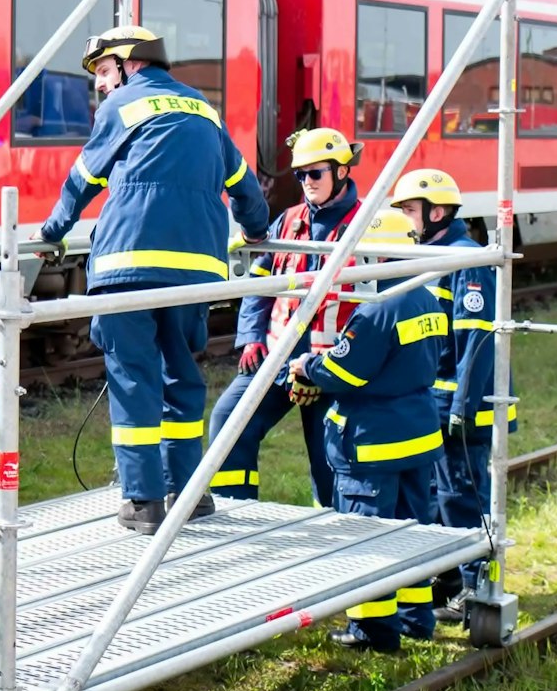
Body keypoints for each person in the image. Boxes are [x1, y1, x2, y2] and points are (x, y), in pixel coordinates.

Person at [38, 26, 268, 533]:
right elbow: (246, 190)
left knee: (132, 380)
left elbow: (82, 180)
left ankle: (143, 501)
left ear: (129, 64)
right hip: (194, 274)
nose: (99, 84)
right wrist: (257, 233)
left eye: (102, 71)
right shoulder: (206, 113)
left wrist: (51, 232)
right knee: (182, 379)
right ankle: (190, 491)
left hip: (127, 269)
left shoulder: (121, 108)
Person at [288, 210, 448, 653]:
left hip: (373, 443)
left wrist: (308, 367)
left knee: (367, 537)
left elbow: (347, 371)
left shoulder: (376, 311)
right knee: (414, 530)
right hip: (418, 435)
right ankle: (418, 619)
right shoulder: (428, 299)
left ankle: (373, 631)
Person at [207, 128, 364, 507]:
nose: (307, 183)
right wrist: (250, 337)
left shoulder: (368, 226)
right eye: (300, 175)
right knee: (229, 421)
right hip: (277, 359)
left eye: (315, 174)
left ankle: (336, 532)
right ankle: (236, 509)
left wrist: (315, 368)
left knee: (331, 461)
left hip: (334, 371)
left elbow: (375, 311)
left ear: (342, 172)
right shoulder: (289, 220)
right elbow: (261, 281)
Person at [390, 168, 516, 626]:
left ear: (436, 211)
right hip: (437, 401)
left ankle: (475, 585)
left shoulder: (465, 259)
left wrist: (463, 407)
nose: (406, 220)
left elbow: (475, 340)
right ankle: (449, 579)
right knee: (436, 495)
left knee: (462, 496)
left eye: (410, 210)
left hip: (463, 404)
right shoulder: (434, 253)